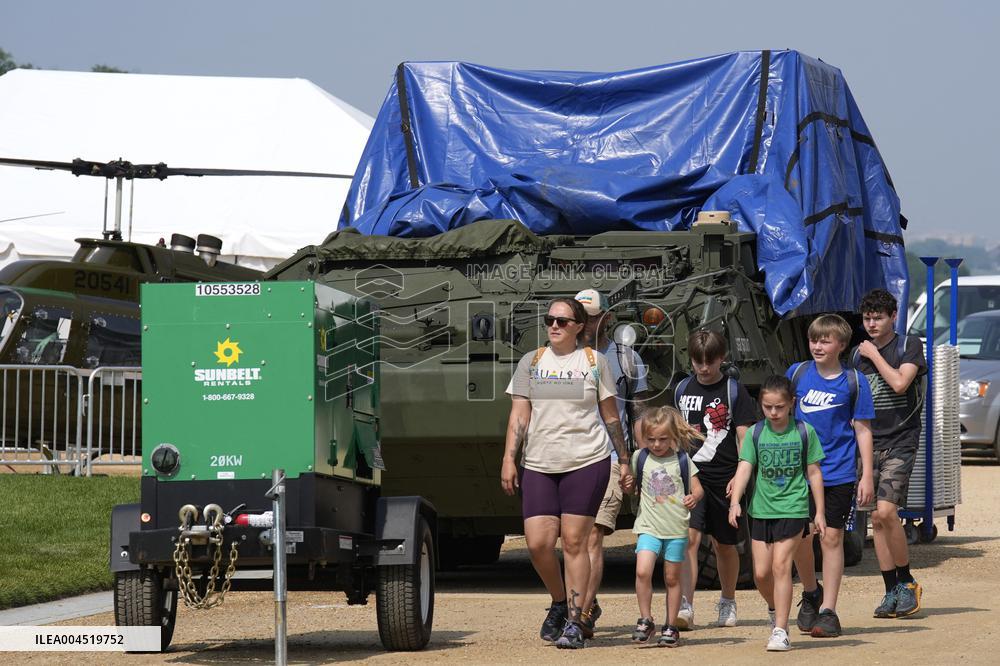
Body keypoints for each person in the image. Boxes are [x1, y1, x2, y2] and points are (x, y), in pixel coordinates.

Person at [501, 297, 634, 650]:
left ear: (579, 326)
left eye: (562, 321)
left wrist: (623, 458)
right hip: (540, 464)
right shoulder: (532, 362)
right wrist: (508, 458)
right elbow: (519, 416)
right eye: (550, 320)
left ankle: (575, 621)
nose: (554, 326)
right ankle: (560, 601)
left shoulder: (594, 362)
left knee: (575, 542)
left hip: (586, 461)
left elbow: (610, 416)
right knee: (538, 543)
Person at [788, 314, 875, 638]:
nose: (818, 346)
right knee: (800, 537)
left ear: (841, 344)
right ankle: (811, 592)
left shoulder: (853, 381)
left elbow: (863, 430)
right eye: (814, 340)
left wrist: (866, 475)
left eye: (825, 340)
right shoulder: (796, 375)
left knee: (831, 537)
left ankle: (828, 611)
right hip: (798, 473)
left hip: (837, 472)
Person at [729, 375, 826, 651]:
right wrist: (736, 501)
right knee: (760, 574)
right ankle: (775, 608)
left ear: (791, 404)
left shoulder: (804, 431)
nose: (773, 413)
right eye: (768, 407)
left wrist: (819, 511)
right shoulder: (756, 433)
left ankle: (781, 630)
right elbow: (745, 467)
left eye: (779, 407)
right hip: (761, 509)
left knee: (781, 565)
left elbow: (814, 472)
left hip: (794, 507)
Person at [574, 288, 650, 638]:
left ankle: (582, 613)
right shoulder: (558, 358)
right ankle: (579, 602)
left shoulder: (626, 358)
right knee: (570, 541)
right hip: (567, 461)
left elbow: (638, 409)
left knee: (592, 536)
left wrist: (636, 460)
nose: (588, 323)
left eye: (593, 316)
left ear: (607, 317)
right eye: (581, 317)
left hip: (607, 458)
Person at [671, 330, 756, 629]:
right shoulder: (682, 389)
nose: (704, 368)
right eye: (698, 361)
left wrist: (740, 476)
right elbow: (679, 434)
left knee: (724, 545)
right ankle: (685, 606)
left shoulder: (734, 391)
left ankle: (728, 601)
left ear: (722, 358)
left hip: (725, 479)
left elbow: (745, 438)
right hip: (692, 479)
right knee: (689, 540)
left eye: (710, 361)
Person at [851, 289, 927, 618]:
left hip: (901, 438)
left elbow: (899, 383)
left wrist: (874, 354)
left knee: (886, 512)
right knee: (876, 521)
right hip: (870, 442)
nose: (872, 324)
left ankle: (907, 581)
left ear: (893, 316)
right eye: (867, 318)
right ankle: (890, 590)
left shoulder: (908, 345)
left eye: (878, 318)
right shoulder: (856, 357)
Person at [629, 406, 704, 648]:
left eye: (663, 439)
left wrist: (694, 497)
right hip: (648, 526)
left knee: (672, 579)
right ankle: (645, 619)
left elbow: (698, 488)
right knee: (643, 571)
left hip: (675, 529)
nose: (657, 444)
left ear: (673, 437)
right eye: (651, 439)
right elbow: (632, 488)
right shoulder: (640, 458)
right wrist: (627, 484)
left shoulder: (682, 460)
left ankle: (671, 626)